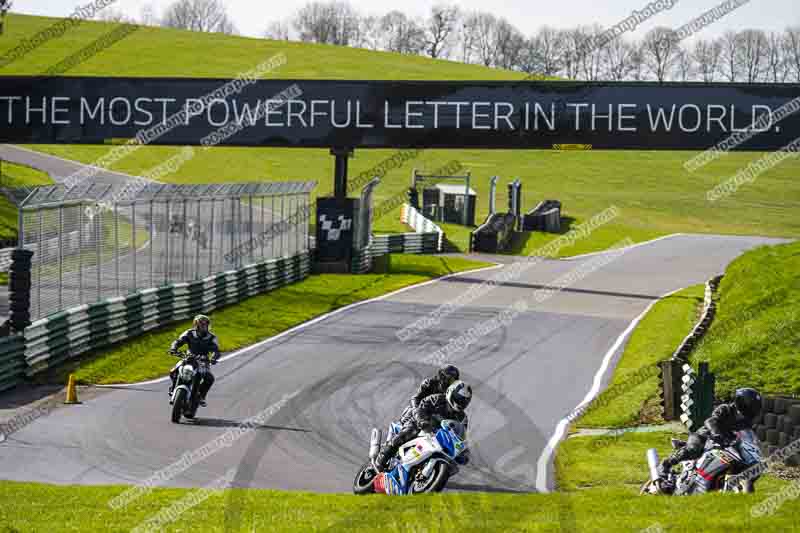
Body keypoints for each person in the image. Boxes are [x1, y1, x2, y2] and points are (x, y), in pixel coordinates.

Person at [373, 380, 472, 473]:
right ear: (451, 392)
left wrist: (464, 451)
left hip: (438, 438)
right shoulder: (437, 399)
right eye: (459, 398)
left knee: (452, 465)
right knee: (408, 432)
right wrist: (422, 421)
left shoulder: (462, 418)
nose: (460, 403)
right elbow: (420, 408)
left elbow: (460, 436)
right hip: (421, 425)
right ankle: (381, 458)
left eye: (464, 401)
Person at [660, 387, 762, 475]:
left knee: (742, 463)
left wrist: (755, 447)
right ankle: (668, 463)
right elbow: (710, 421)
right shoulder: (725, 409)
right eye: (750, 406)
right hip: (705, 436)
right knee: (693, 449)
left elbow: (750, 435)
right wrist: (716, 433)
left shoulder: (746, 422)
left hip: (726, 445)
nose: (751, 409)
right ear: (741, 402)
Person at [168, 314, 220, 407]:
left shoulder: (212, 337)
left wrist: (213, 358)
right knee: (173, 371)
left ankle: (201, 396)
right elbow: (178, 341)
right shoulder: (189, 333)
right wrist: (173, 349)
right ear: (196, 325)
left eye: (205, 324)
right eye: (201, 324)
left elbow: (216, 351)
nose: (204, 326)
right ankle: (173, 388)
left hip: (203, 361)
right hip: (188, 357)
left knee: (209, 378)